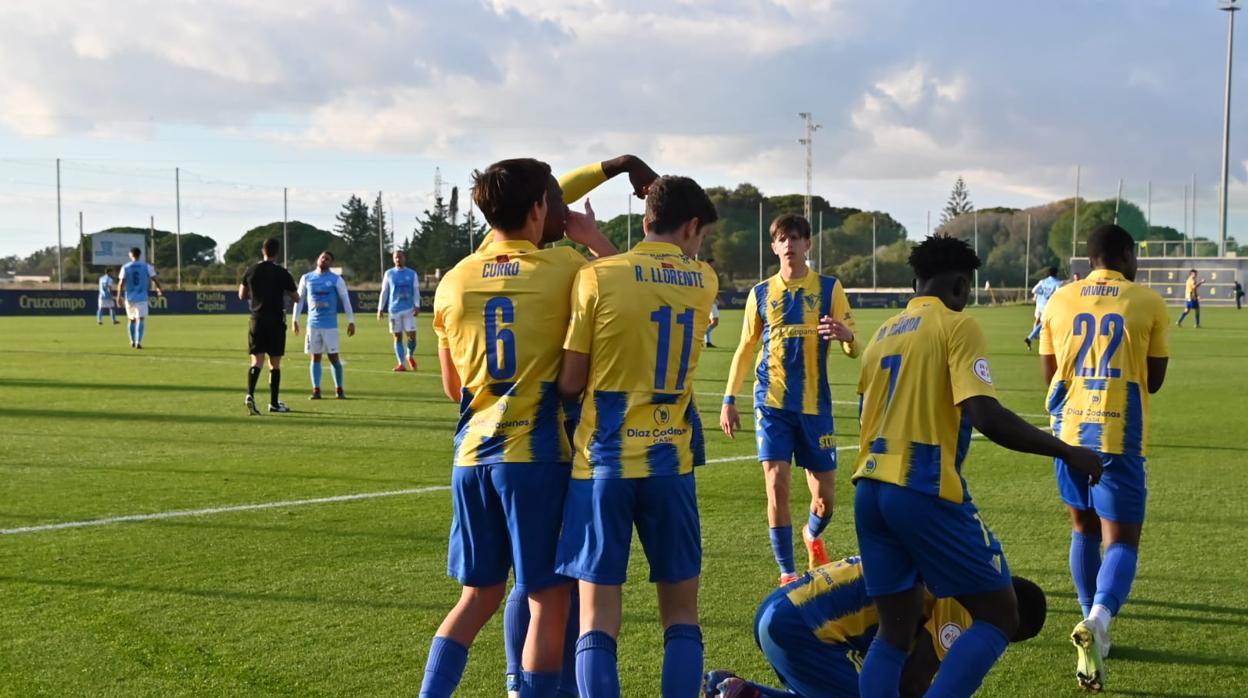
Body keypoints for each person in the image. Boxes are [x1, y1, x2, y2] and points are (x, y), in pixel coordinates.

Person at [851, 235, 1103, 698]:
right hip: (920, 486)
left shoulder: (882, 334)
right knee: (999, 614)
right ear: (961, 286)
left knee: (895, 629)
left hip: (868, 488)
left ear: (914, 282)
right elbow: (985, 415)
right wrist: (1067, 451)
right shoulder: (956, 325)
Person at [419, 158, 619, 698]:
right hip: (537, 457)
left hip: (471, 457)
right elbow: (631, 288)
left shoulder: (453, 281)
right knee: (546, 599)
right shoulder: (566, 269)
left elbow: (451, 387)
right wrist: (592, 236)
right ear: (538, 209)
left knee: (477, 596)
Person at [555, 175, 719, 697]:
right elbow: (651, 276)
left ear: (646, 219)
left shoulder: (597, 278)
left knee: (597, 621)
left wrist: (590, 240)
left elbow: (572, 380)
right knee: (681, 616)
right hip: (671, 463)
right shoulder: (705, 281)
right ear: (691, 226)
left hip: (602, 465)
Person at [1037, 223, 1169, 693]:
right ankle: (1098, 619)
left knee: (1082, 528)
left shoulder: (1059, 299)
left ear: (1089, 258)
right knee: (1122, 542)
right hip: (1119, 433)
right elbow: (1153, 380)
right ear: (1128, 256)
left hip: (1068, 433)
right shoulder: (1148, 301)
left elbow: (1049, 372)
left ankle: (1089, 618)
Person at [720, 214, 858, 585]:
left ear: (807, 244)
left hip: (815, 406)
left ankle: (812, 533)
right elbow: (745, 348)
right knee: (776, 483)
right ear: (774, 247)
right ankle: (788, 573)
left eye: (796, 238)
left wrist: (847, 336)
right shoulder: (761, 293)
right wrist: (729, 398)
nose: (790, 245)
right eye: (783, 239)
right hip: (771, 404)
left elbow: (853, 349)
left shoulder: (830, 289)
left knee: (825, 497)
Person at [702, 556, 1048, 698]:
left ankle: (738, 691)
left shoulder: (956, 573)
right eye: (1004, 637)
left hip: (781, 607)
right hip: (802, 629)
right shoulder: (962, 607)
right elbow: (913, 681)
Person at [239, 238, 299, 415]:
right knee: (275, 363)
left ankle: (250, 394)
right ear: (277, 252)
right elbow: (296, 297)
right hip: (275, 320)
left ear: (262, 250)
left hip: (257, 319)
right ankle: (273, 403)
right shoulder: (281, 272)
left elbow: (242, 295)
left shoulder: (251, 270)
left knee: (256, 360)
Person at [292, 250, 355, 400]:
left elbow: (345, 300)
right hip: (313, 325)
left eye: (327, 259)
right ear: (317, 259)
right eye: (322, 257)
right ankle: (316, 390)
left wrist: (351, 321)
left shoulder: (336, 279)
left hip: (330, 326)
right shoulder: (307, 278)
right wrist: (295, 319)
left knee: (334, 357)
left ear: (331, 263)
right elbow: (299, 300)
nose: (324, 260)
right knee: (315, 357)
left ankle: (339, 390)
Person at [378, 250, 421, 372]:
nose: (398, 259)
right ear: (393, 259)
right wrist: (380, 308)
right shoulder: (389, 273)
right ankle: (401, 363)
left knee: (412, 337)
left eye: (400, 257)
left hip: (409, 310)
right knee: (397, 337)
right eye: (396, 257)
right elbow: (384, 291)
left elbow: (416, 291)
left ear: (404, 258)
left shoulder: (412, 273)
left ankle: (409, 355)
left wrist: (417, 305)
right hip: (394, 310)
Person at [116, 248, 164, 349]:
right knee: (140, 319)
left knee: (131, 320)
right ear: (140, 255)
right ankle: (138, 341)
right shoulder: (146, 266)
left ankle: (132, 341)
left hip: (129, 297)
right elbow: (154, 279)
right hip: (142, 297)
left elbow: (121, 283)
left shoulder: (125, 267)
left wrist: (118, 296)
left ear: (130, 255)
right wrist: (159, 289)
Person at [1023, 266, 1062, 350]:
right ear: (1056, 273)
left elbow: (1033, 290)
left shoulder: (1043, 281)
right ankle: (1031, 337)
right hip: (1048, 306)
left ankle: (1032, 337)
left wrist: (1043, 293)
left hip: (1040, 304)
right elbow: (1058, 294)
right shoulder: (1057, 283)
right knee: (1045, 323)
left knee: (1043, 322)